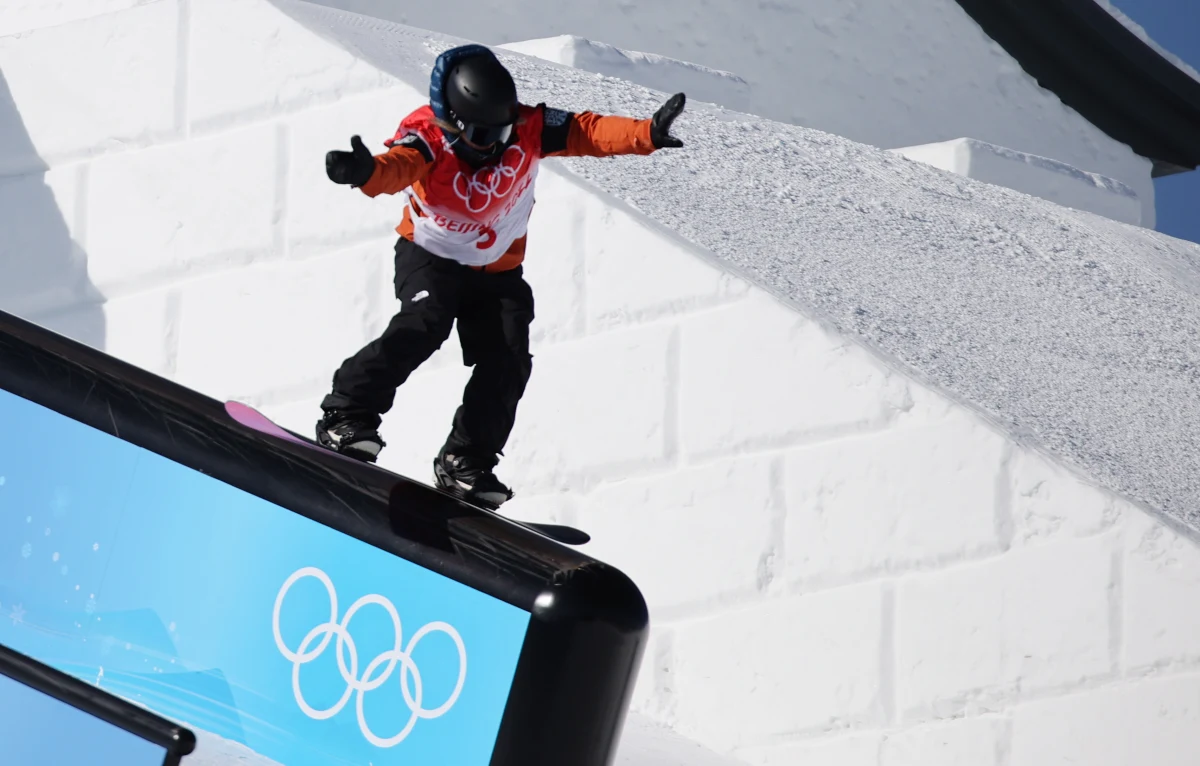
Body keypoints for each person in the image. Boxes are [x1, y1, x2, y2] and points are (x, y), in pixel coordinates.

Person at [317, 43, 686, 507]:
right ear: (451, 118)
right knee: (425, 322)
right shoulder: (427, 137)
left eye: (501, 129)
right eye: (478, 132)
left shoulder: (529, 128)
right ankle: (346, 414)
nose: (491, 142)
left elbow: (584, 131)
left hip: (497, 272)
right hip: (431, 256)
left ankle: (465, 460)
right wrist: (365, 171)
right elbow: (396, 168)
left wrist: (646, 133)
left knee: (509, 357)